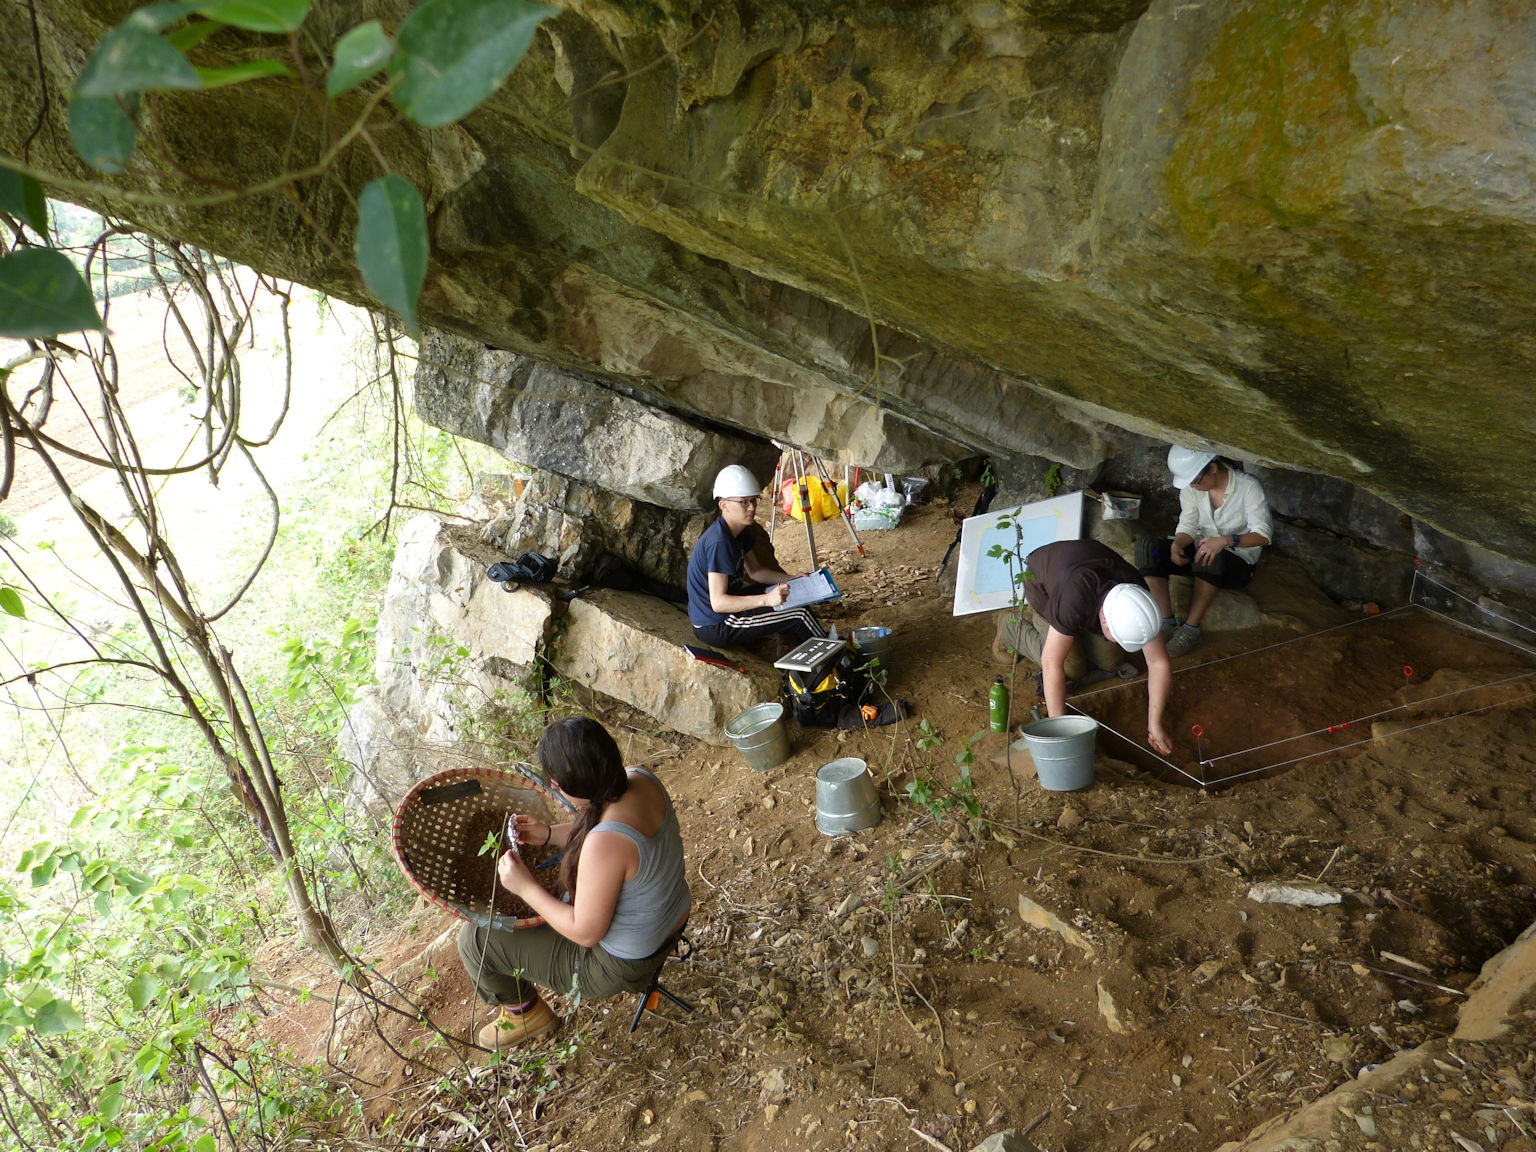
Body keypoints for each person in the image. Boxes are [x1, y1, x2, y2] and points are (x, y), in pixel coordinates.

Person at [457, 717, 693, 1050]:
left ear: (567, 784)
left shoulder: (604, 844)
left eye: (554, 784)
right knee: (556, 893)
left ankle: (524, 1014)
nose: (553, 789)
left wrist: (524, 886)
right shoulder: (638, 779)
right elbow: (609, 832)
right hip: (671, 920)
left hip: (625, 963)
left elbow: (585, 932)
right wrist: (550, 835)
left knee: (476, 940)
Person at [997, 539, 1173, 756]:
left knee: (1111, 661)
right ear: (1105, 621)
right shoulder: (1073, 598)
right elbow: (1051, 663)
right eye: (1117, 636)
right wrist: (1061, 735)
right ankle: (1009, 627)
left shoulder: (1137, 601)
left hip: (1084, 577)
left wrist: (1154, 724)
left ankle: (1072, 634)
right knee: (1073, 668)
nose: (1117, 641)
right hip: (1045, 585)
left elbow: (1158, 662)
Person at [1137, 447, 1272, 658]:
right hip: (1202, 551)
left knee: (1212, 554)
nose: (1192, 486)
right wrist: (1178, 544)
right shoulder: (1193, 488)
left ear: (1213, 468)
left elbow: (1263, 535)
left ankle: (1191, 629)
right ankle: (1166, 622)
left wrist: (1226, 541)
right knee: (1148, 547)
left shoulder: (1248, 487)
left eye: (1196, 481)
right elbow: (1188, 524)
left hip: (1236, 563)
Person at [686, 464, 827, 649]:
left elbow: (756, 572)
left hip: (723, 610)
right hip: (716, 624)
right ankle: (839, 658)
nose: (751, 507)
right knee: (798, 614)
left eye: (754, 500)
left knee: (790, 598)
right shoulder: (719, 542)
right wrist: (767, 600)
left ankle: (811, 655)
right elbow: (719, 603)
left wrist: (793, 579)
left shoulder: (739, 530)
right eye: (743, 502)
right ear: (724, 505)